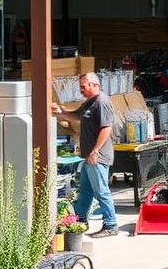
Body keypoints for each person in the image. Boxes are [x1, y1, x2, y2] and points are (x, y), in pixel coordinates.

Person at [51, 71, 119, 238]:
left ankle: (111, 224)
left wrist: (95, 150)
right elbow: (77, 115)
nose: (81, 90)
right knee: (85, 191)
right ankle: (79, 220)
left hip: (98, 156)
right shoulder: (89, 102)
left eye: (83, 86)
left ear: (94, 85)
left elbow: (106, 128)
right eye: (80, 86)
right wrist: (61, 112)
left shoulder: (101, 102)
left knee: (101, 191)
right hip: (89, 156)